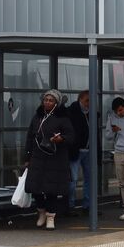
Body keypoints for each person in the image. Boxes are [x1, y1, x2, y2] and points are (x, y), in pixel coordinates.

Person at [24, 89, 74, 231]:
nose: (47, 102)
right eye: (45, 100)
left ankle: (51, 216)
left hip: (55, 158)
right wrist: (27, 157)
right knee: (36, 188)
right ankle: (41, 212)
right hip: (38, 157)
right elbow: (29, 137)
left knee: (52, 188)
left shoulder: (63, 118)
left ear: (56, 103)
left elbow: (71, 137)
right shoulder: (37, 116)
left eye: (51, 100)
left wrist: (61, 139)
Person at [65, 90, 93, 214]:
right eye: (87, 100)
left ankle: (87, 205)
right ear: (80, 99)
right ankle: (69, 205)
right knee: (73, 180)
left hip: (88, 150)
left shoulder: (91, 113)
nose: (89, 103)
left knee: (90, 178)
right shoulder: (72, 112)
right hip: (75, 150)